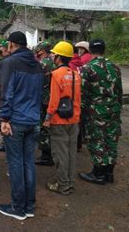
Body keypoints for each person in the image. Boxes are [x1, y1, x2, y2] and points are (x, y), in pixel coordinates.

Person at [0, 31, 43, 221]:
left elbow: (6, 92)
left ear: (12, 44)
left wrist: (4, 119)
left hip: (16, 120)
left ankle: (18, 208)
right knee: (28, 162)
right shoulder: (38, 65)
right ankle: (29, 205)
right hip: (33, 120)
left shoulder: (10, 63)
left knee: (16, 163)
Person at [79, 39, 123, 185]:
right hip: (114, 111)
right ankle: (109, 173)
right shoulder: (115, 67)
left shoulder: (87, 68)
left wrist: (81, 112)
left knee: (97, 141)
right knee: (111, 141)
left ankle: (98, 174)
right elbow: (119, 91)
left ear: (90, 50)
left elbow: (82, 94)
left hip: (95, 112)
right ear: (104, 50)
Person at [43, 42, 81, 195]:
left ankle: (62, 185)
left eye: (54, 54)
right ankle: (70, 181)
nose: (52, 56)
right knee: (71, 152)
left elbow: (53, 101)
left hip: (59, 119)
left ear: (58, 57)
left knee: (60, 153)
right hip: (74, 118)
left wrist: (47, 118)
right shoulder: (75, 74)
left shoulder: (56, 75)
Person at [34, 41, 56, 166]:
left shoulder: (43, 63)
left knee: (43, 126)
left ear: (42, 50)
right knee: (48, 126)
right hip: (50, 97)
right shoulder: (53, 62)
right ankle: (48, 152)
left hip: (43, 98)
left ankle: (46, 155)